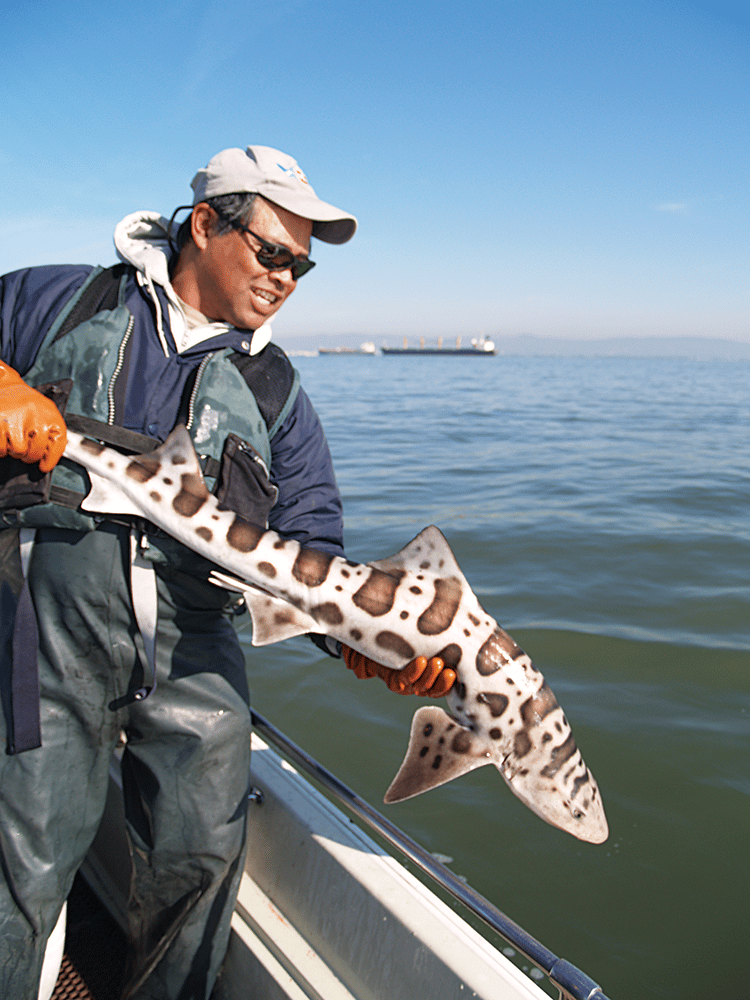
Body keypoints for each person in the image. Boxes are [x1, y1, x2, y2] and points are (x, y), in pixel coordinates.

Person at [0, 145, 455, 1000]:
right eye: (273, 252)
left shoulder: (277, 392)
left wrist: (367, 647)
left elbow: (316, 550)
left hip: (193, 654)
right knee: (17, 868)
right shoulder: (54, 300)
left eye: (303, 267)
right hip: (40, 636)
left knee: (201, 866)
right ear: (205, 224)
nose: (287, 278)